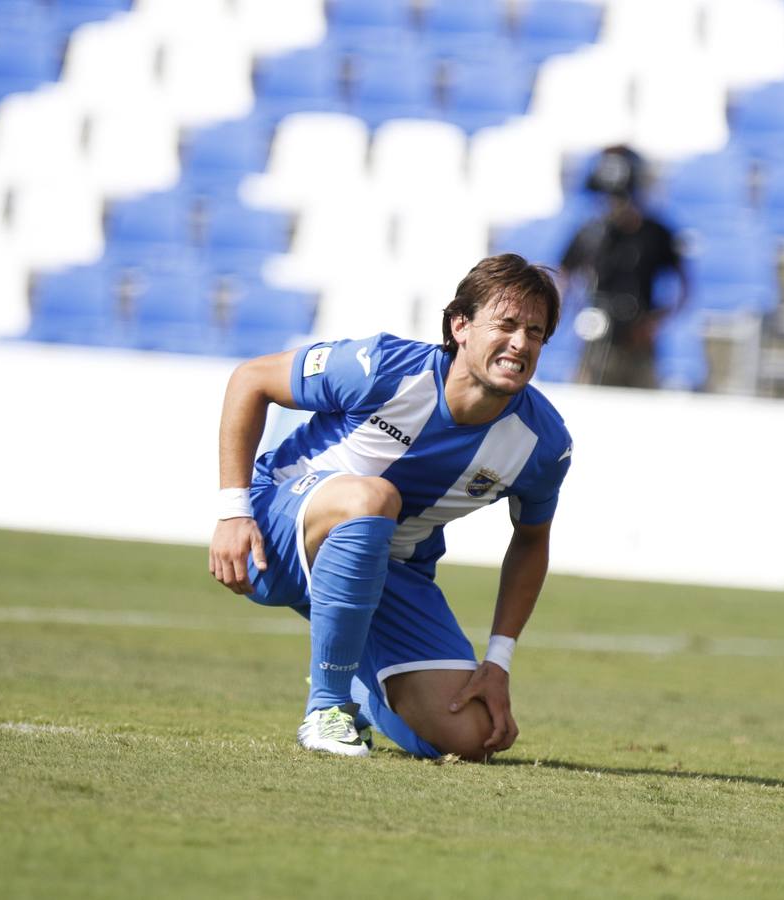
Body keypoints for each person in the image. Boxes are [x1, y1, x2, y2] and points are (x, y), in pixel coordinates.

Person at [208, 254, 573, 761]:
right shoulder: (381, 367)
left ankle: (360, 683)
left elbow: (532, 539)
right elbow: (251, 379)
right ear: (460, 325)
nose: (520, 343)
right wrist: (234, 511)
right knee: (373, 498)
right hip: (277, 533)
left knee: (472, 736)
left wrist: (499, 660)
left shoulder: (543, 444)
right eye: (507, 325)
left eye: (536, 332)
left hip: (392, 569)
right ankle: (327, 708)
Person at [560, 144, 687, 389]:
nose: (613, 205)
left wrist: (655, 322)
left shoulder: (656, 234)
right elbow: (562, 276)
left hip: (638, 345)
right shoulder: (591, 233)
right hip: (595, 341)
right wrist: (574, 310)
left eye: (620, 198)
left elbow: (684, 286)